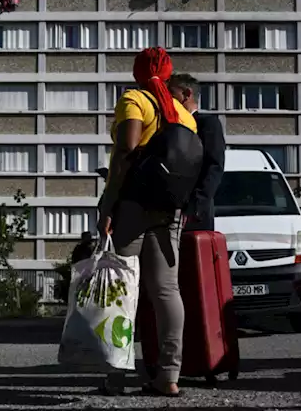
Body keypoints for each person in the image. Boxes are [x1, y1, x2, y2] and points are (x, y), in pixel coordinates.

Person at [98, 47, 197, 397]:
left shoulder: (134, 100)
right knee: (167, 291)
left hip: (133, 206)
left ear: (137, 71)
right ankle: (169, 376)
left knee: (121, 290)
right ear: (169, 75)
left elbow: (127, 149)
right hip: (170, 211)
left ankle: (115, 377)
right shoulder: (185, 116)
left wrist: (108, 204)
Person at [167, 73, 227, 232]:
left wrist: (196, 206)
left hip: (194, 217)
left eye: (171, 95)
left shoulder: (207, 124)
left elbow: (213, 167)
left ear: (186, 94)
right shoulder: (168, 126)